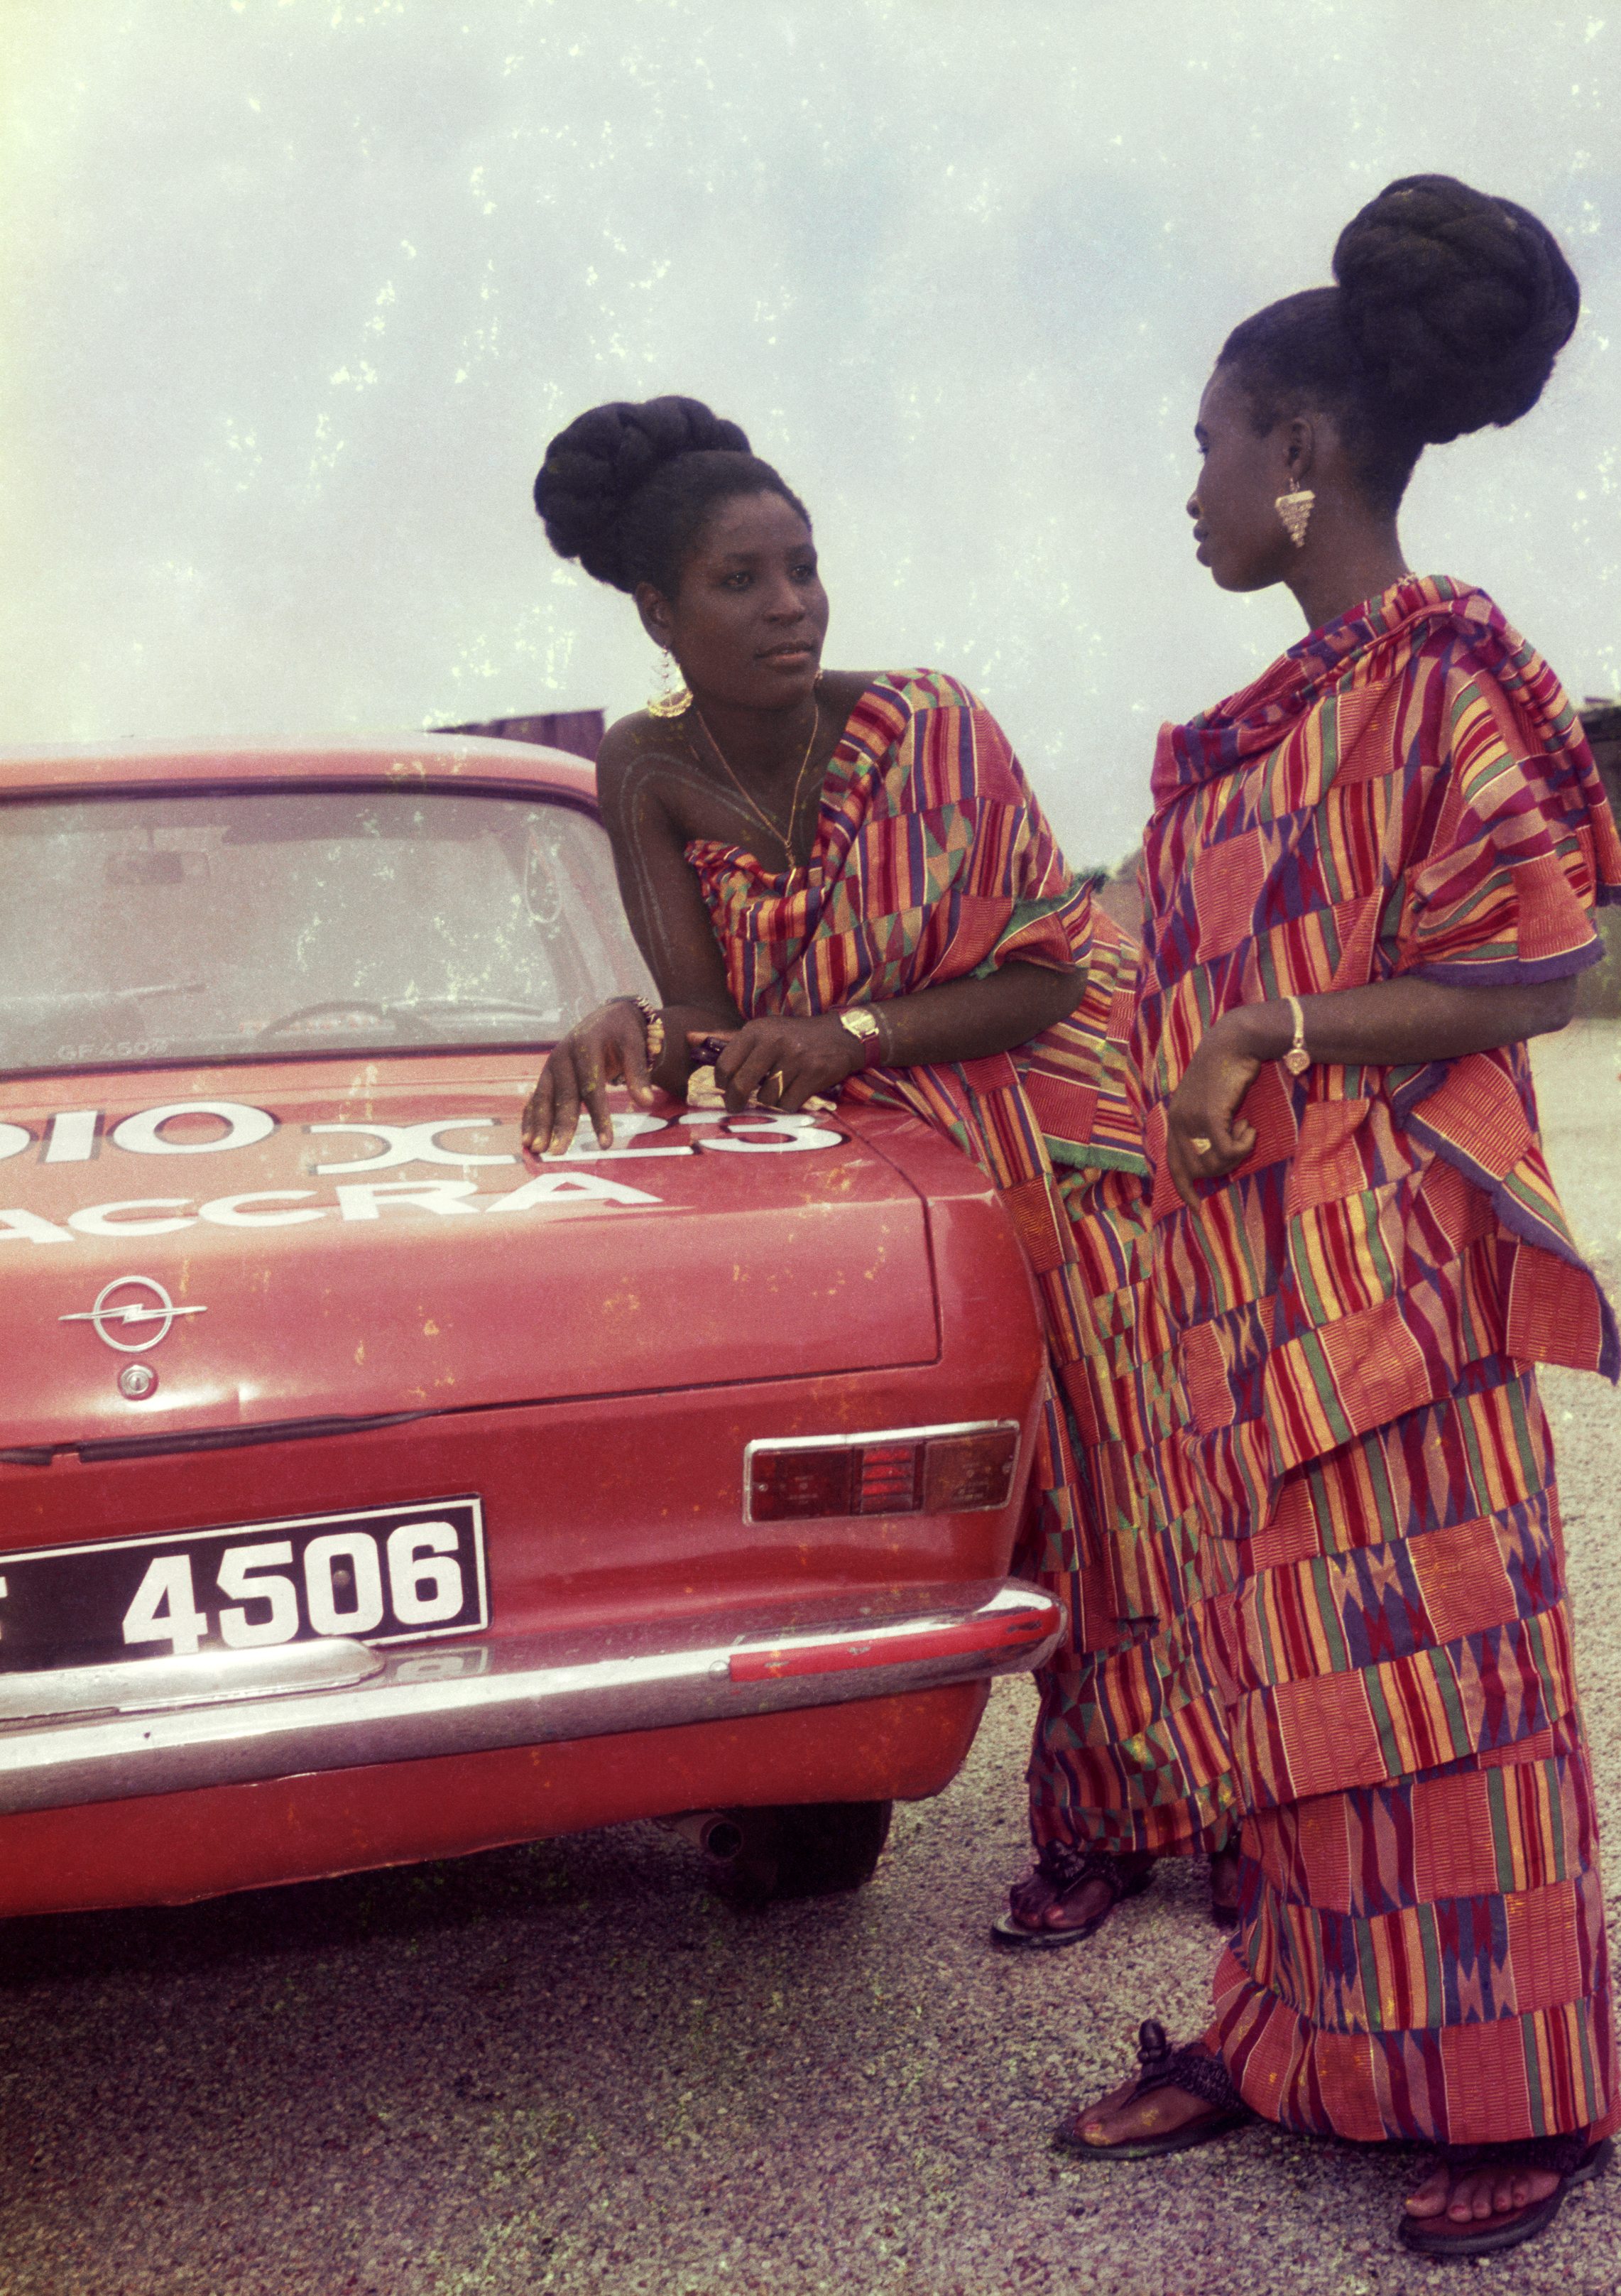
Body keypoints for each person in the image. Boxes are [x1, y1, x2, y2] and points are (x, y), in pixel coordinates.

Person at [1057, 178, 1621, 2260]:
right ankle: (1296, 2039)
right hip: (1240, 1291)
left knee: (1443, 1677)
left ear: (1298, 456)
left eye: (1207, 440)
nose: (1189, 485)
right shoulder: (1269, 713)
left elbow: (1538, 958)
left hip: (1392, 1281)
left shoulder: (1435, 674)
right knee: (1279, 1669)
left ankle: (1515, 2094)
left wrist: (1274, 1029)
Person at [518, 396, 1226, 1935]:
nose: (789, 606)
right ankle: (1099, 1811)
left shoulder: (932, 726)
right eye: (740, 581)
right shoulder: (639, 766)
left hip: (1055, 1122)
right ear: (655, 610)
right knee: (981, 1484)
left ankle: (1173, 1805)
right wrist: (628, 1024)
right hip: (872, 1157)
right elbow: (708, 1023)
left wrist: (851, 1027)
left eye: (804, 567)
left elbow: (1049, 974)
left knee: (1130, 1467)